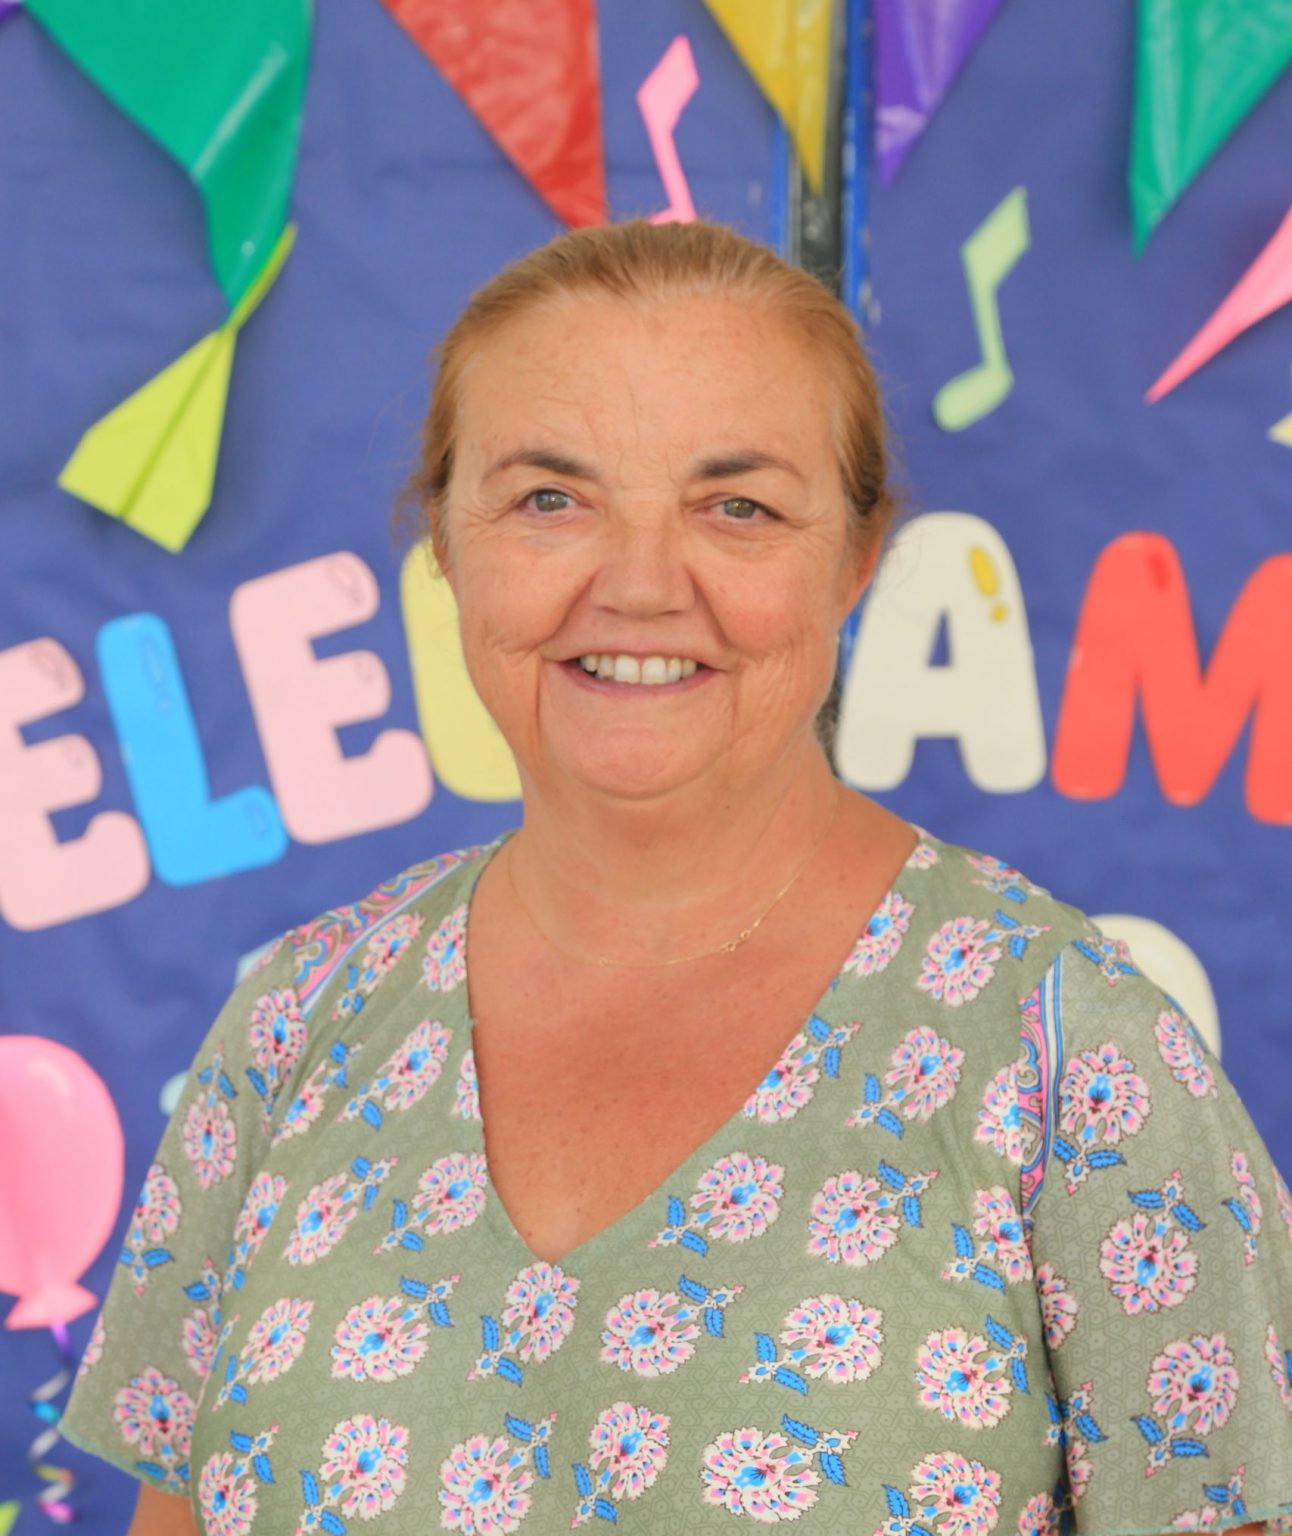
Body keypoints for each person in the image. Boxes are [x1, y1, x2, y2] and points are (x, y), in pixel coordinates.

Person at [62, 218, 1292, 1536]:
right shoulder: (297, 1022)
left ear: (856, 559)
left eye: (737, 507)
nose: (642, 584)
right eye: (551, 499)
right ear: (446, 542)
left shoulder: (1075, 1055)